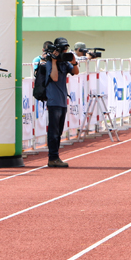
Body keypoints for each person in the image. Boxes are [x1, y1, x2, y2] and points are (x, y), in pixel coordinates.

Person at [45, 37, 80, 168]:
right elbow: (54, 78)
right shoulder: (50, 63)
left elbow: (75, 72)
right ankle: (52, 157)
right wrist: (54, 62)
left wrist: (74, 61)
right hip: (54, 101)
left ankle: (55, 157)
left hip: (62, 101)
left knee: (58, 131)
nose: (65, 51)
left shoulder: (65, 63)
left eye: (66, 48)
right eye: (63, 49)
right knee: (53, 132)